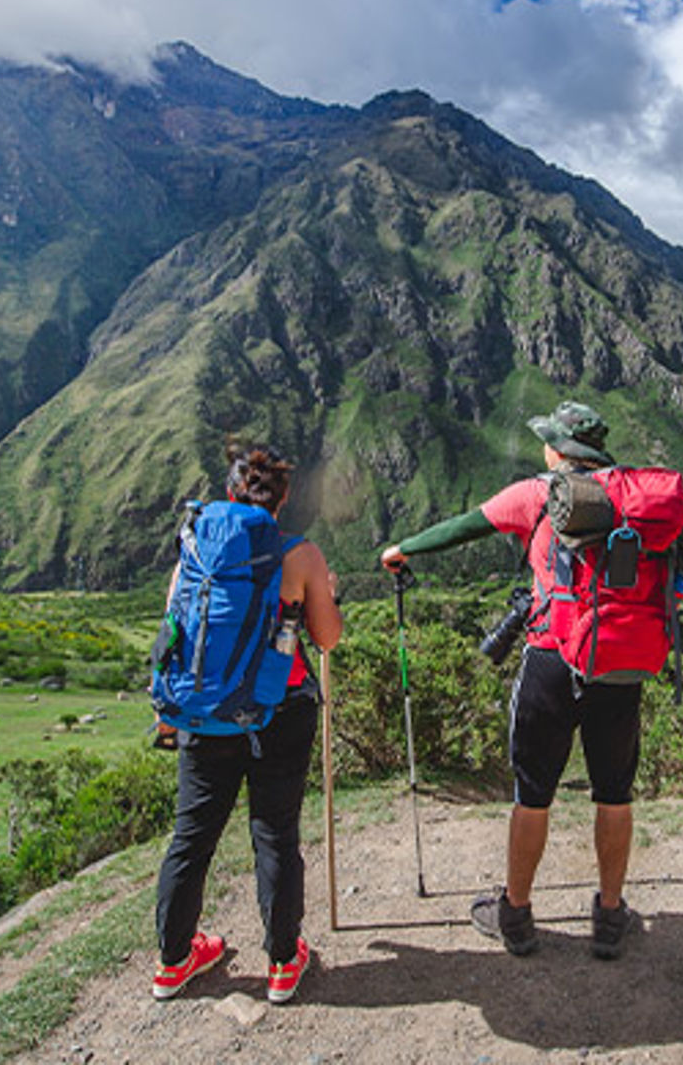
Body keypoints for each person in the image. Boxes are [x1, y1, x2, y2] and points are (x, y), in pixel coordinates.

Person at [379, 401, 643, 960]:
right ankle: (611, 916)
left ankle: (517, 916)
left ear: (558, 450)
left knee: (533, 794)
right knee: (614, 793)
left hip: (551, 658)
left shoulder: (535, 495)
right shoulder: (632, 495)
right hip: (617, 662)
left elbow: (463, 527)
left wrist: (403, 549)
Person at [153, 445, 343, 1004]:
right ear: (281, 501)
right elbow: (327, 640)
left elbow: (174, 632)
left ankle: (173, 961)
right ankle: (284, 963)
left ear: (229, 496)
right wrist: (323, 594)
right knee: (275, 833)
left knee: (192, 837)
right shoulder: (299, 555)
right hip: (279, 712)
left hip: (204, 714)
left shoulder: (195, 549)